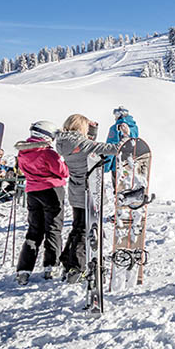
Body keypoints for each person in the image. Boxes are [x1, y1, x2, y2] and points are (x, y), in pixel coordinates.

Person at [55, 114, 120, 282]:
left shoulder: (64, 142)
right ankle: (77, 267)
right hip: (89, 191)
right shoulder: (81, 143)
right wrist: (126, 142)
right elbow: (106, 148)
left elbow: (88, 147)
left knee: (78, 227)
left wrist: (94, 130)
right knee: (86, 230)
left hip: (76, 190)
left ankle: (67, 260)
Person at [16, 121, 69, 285]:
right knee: (53, 228)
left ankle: (24, 270)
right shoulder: (48, 153)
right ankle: (51, 266)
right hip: (51, 191)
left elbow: (23, 170)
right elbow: (63, 172)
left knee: (34, 230)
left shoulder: (23, 152)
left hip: (32, 191)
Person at [104, 106, 138, 174]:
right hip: (131, 164)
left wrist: (106, 167)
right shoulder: (134, 128)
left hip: (117, 166)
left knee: (117, 183)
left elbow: (111, 147)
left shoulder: (115, 128)